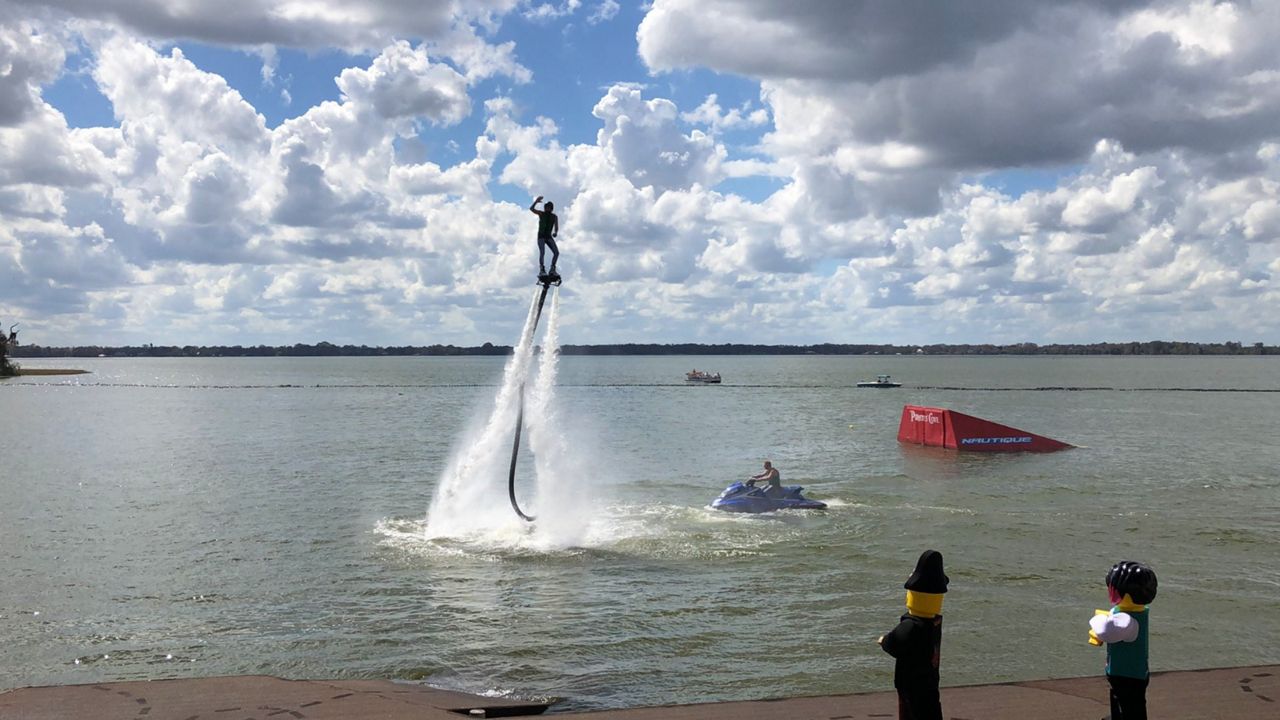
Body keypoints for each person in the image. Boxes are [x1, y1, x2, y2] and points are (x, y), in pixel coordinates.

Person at [879, 550, 948, 720]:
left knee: (912, 713)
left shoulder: (911, 625)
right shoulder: (934, 623)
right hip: (930, 681)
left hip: (911, 685)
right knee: (931, 711)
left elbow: (894, 643)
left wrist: (883, 640)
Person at [1088, 560, 1158, 720]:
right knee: (1123, 702)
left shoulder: (1127, 620)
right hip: (1132, 672)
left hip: (1127, 675)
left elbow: (1104, 631)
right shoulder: (1137, 612)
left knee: (1131, 708)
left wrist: (1098, 617)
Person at [529, 195, 559, 276]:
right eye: (546, 207)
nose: (547, 209)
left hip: (548, 236)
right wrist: (536, 202)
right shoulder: (541, 214)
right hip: (541, 236)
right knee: (542, 252)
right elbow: (531, 209)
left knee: (556, 253)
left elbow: (556, 227)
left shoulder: (554, 217)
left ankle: (552, 269)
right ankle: (542, 269)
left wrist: (555, 232)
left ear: (551, 208)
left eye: (549, 207)